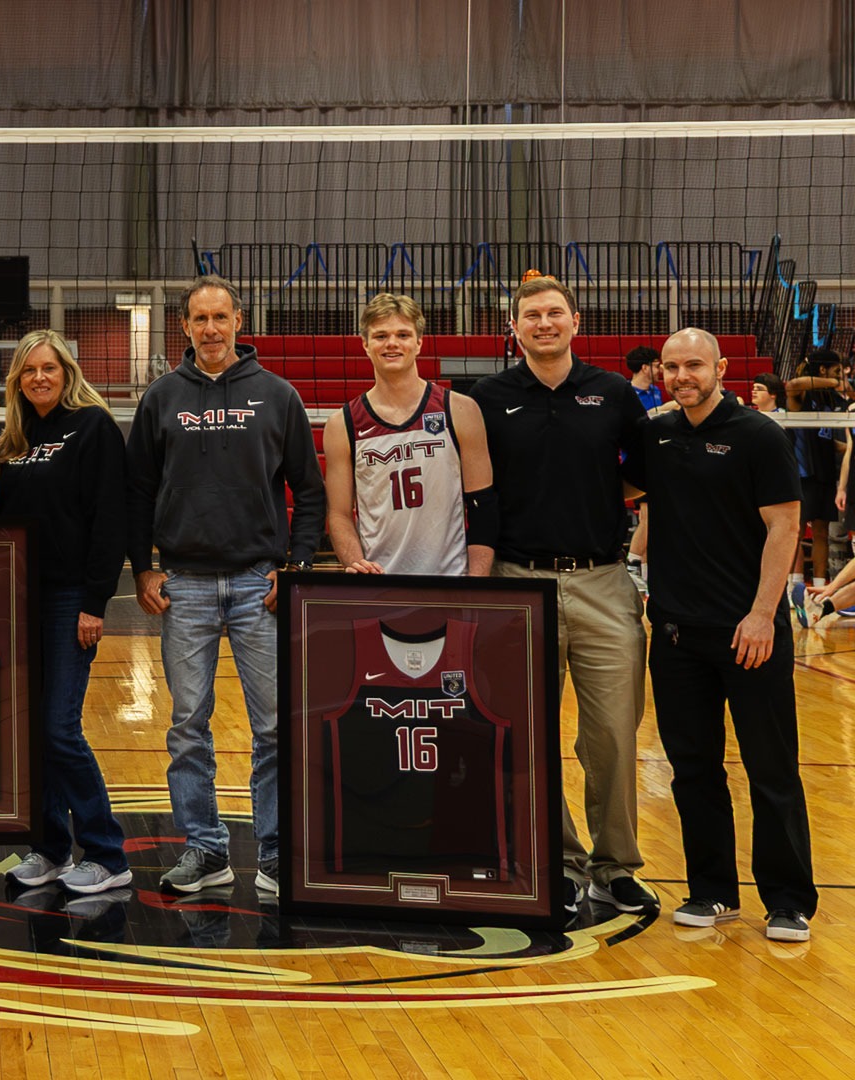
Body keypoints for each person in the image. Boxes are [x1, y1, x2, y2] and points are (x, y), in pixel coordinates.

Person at [126, 273, 325, 896]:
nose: (211, 329)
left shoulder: (277, 395)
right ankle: (207, 851)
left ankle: (272, 851)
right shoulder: (161, 397)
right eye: (199, 319)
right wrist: (144, 567)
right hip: (183, 585)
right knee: (188, 725)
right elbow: (135, 494)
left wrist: (294, 566)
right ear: (183, 326)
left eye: (221, 317)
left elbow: (309, 491)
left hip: (256, 585)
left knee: (272, 727)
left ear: (239, 321)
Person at [470, 275, 655, 917]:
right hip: (518, 584)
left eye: (555, 313)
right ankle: (565, 862)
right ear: (513, 329)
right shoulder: (487, 398)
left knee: (612, 734)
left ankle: (618, 864)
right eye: (531, 316)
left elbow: (643, 478)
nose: (544, 324)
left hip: (603, 581)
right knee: (529, 734)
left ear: (576, 321)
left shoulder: (614, 396)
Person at [636, 328, 815, 942]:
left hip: (749, 632)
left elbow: (784, 528)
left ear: (721, 367)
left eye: (693, 365)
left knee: (771, 768)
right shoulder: (656, 434)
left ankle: (789, 900)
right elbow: (621, 489)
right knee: (694, 770)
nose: (682, 376)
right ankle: (712, 892)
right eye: (671, 367)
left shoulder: (759, 436)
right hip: (678, 634)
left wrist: (764, 613)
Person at [0, 330, 131, 896]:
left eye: (49, 368)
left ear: (67, 372)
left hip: (70, 597)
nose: (39, 378)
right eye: (29, 371)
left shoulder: (93, 427)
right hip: (21, 599)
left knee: (59, 728)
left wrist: (95, 602)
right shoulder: (15, 439)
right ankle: (48, 848)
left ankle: (106, 853)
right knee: (32, 730)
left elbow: (109, 520)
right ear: (18, 381)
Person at [323, 293, 496, 577]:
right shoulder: (343, 423)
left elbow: (482, 506)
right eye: (380, 336)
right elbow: (340, 515)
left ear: (418, 342)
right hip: (380, 582)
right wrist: (356, 564)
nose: (392, 343)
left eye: (403, 334)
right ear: (365, 344)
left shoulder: (460, 409)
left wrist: (476, 582)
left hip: (450, 579)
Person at [783, 347, 849, 616]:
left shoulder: (828, 398)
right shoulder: (800, 394)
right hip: (800, 473)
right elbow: (792, 383)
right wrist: (837, 381)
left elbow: (824, 439)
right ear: (823, 370)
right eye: (836, 370)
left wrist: (848, 450)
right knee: (794, 533)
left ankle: (817, 589)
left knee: (820, 532)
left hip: (823, 474)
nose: (841, 375)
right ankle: (791, 587)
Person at [625, 345, 663, 412]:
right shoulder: (627, 394)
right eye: (657, 366)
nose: (660, 370)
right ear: (645, 368)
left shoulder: (655, 390)